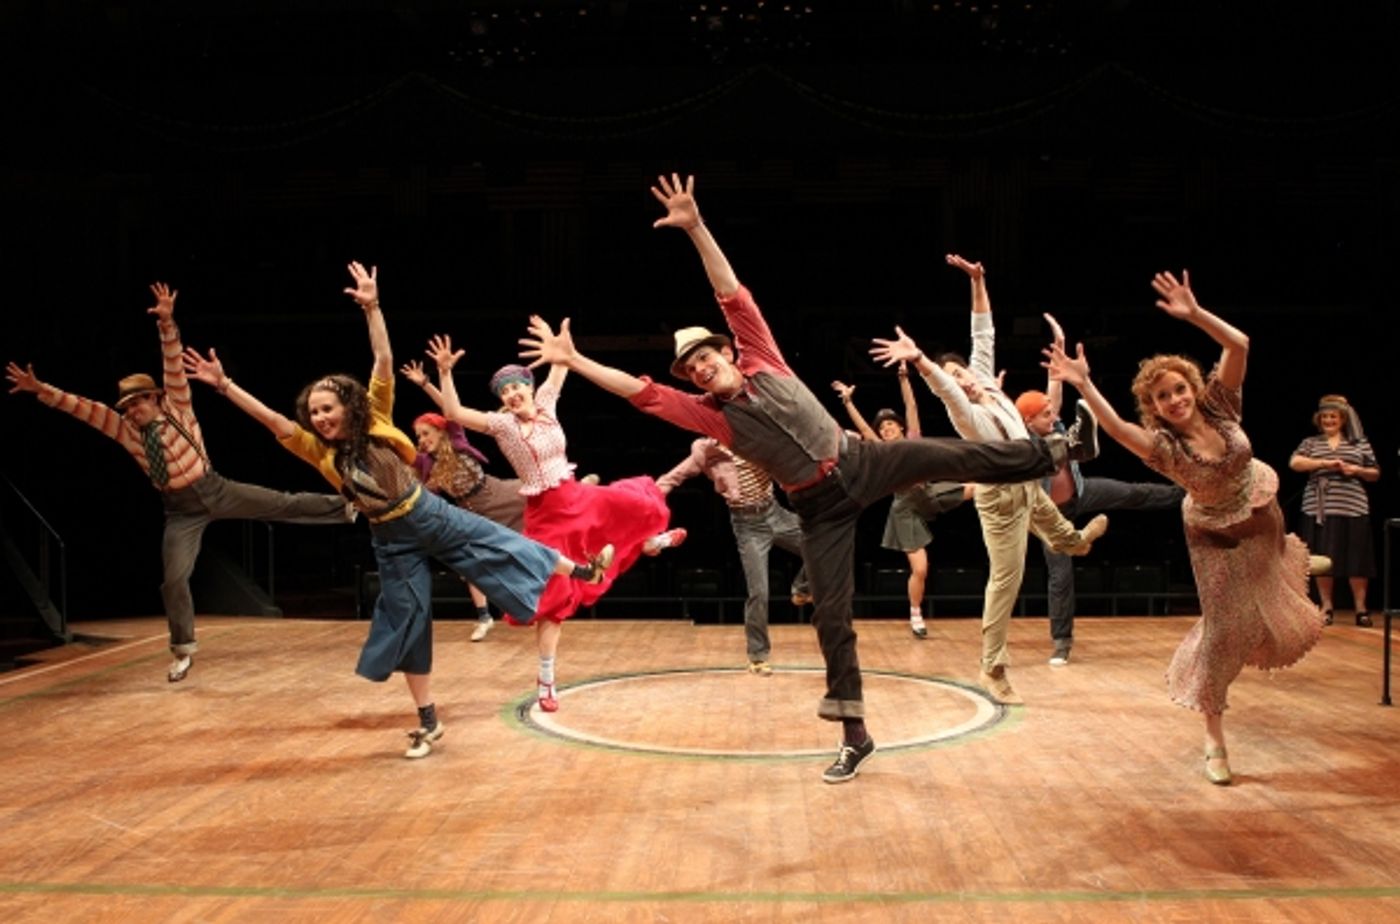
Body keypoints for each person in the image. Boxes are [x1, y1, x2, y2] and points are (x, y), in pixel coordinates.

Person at [518, 174, 1098, 784]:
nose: (700, 367)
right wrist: (575, 361)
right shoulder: (709, 415)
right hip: (818, 507)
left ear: (723, 353)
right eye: (692, 368)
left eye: (705, 357)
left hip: (858, 462)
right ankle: (856, 733)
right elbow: (643, 394)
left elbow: (731, 294)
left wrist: (695, 227)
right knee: (830, 615)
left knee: (953, 455)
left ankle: (1056, 450)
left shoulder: (761, 354)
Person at [182, 261, 613, 758]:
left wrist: (372, 307)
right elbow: (274, 421)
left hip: (428, 511)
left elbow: (383, 361)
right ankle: (428, 721)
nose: (320, 417)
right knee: (407, 618)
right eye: (314, 412)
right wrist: (224, 385)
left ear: (348, 404)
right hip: (391, 536)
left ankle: (580, 570)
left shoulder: (376, 416)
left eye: (328, 407)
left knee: (503, 543)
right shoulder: (316, 450)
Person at [1044, 269, 1325, 785]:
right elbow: (1115, 429)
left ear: (1191, 387)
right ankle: (1214, 735)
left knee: (1264, 589)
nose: (1174, 400)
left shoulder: (1221, 406)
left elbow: (1239, 343)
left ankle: (1276, 570)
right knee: (1224, 632)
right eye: (1162, 399)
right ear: (1154, 410)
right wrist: (1083, 383)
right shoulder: (1165, 449)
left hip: (1258, 505)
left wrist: (1195, 315)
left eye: (1178, 389)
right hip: (1213, 530)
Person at [5, 282, 354, 684]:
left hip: (215, 488)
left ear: (153, 399)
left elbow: (172, 364)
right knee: (174, 578)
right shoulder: (125, 431)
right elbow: (82, 408)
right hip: (180, 509)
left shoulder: (178, 408)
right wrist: (41, 391)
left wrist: (167, 323)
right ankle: (184, 649)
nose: (132, 410)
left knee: (282, 502)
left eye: (138, 402)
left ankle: (348, 506)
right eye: (128, 406)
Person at [870, 255, 1109, 706]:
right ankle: (992, 666)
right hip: (999, 497)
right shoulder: (965, 412)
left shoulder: (988, 386)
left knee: (1060, 532)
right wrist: (921, 360)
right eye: (956, 380)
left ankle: (1075, 536)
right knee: (1007, 580)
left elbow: (984, 332)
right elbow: (942, 387)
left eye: (963, 374)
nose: (963, 382)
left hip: (1027, 481)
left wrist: (979, 282)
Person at [425, 335, 683, 713]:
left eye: (517, 386)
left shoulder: (546, 404)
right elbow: (456, 413)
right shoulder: (502, 426)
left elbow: (562, 363)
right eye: (505, 390)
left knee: (636, 505)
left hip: (575, 495)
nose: (513, 393)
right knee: (554, 601)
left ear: (529, 389)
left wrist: (559, 345)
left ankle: (649, 543)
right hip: (546, 515)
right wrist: (444, 373)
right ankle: (546, 681)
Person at [1016, 312, 1185, 665]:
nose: (1052, 414)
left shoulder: (1051, 420)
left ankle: (1189, 491)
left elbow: (1055, 392)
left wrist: (1059, 354)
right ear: (1029, 422)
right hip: (1052, 517)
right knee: (1060, 578)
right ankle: (1061, 642)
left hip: (1080, 491)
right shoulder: (1023, 443)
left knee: (1133, 492)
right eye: (1045, 415)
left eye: (1052, 412)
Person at [831, 370, 973, 640]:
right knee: (920, 568)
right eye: (882, 428)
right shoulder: (881, 452)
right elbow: (863, 429)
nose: (886, 429)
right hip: (906, 510)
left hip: (930, 494)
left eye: (890, 425)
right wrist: (848, 402)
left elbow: (911, 406)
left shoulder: (913, 441)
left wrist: (904, 379)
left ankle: (1016, 493)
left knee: (979, 488)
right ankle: (916, 612)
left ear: (900, 427)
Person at [656, 436, 812, 675]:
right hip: (748, 526)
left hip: (774, 512)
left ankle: (802, 588)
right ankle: (758, 656)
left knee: (820, 544)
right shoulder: (708, 451)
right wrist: (651, 494)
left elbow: (795, 446)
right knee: (759, 592)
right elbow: (675, 476)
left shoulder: (757, 437)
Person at [403, 358, 529, 642]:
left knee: (543, 499)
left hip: (497, 495)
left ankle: (581, 488)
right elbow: (418, 491)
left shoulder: (457, 440)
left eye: (426, 433)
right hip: (471, 512)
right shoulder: (425, 464)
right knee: (470, 561)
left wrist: (426, 383)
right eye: (418, 436)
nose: (421, 439)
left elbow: (450, 409)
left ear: (440, 432)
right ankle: (484, 617)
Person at [1289, 394, 1379, 626]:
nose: (1329, 420)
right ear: (1319, 420)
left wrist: (1355, 470)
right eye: (1325, 417)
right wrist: (1324, 464)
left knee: (1357, 558)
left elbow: (1375, 473)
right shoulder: (1311, 442)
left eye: (1334, 417)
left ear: (1343, 419)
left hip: (1353, 506)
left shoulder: (1359, 443)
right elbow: (1295, 463)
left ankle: (1361, 608)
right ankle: (1326, 606)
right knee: (1324, 558)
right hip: (1319, 507)